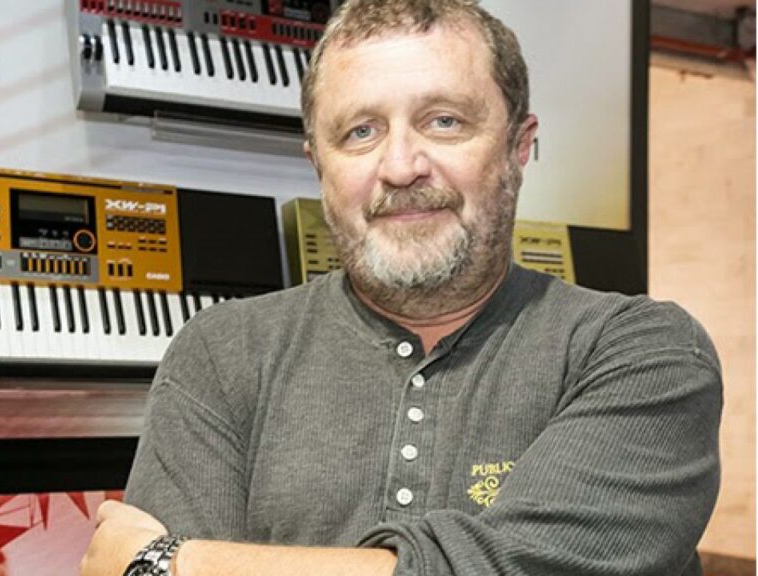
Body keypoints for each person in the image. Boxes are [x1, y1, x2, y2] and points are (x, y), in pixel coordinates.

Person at [81, 0, 723, 574]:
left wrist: (175, 562)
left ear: (518, 147)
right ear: (319, 165)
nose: (400, 167)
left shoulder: (642, 351)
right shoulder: (221, 354)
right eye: (359, 132)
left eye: (444, 121)